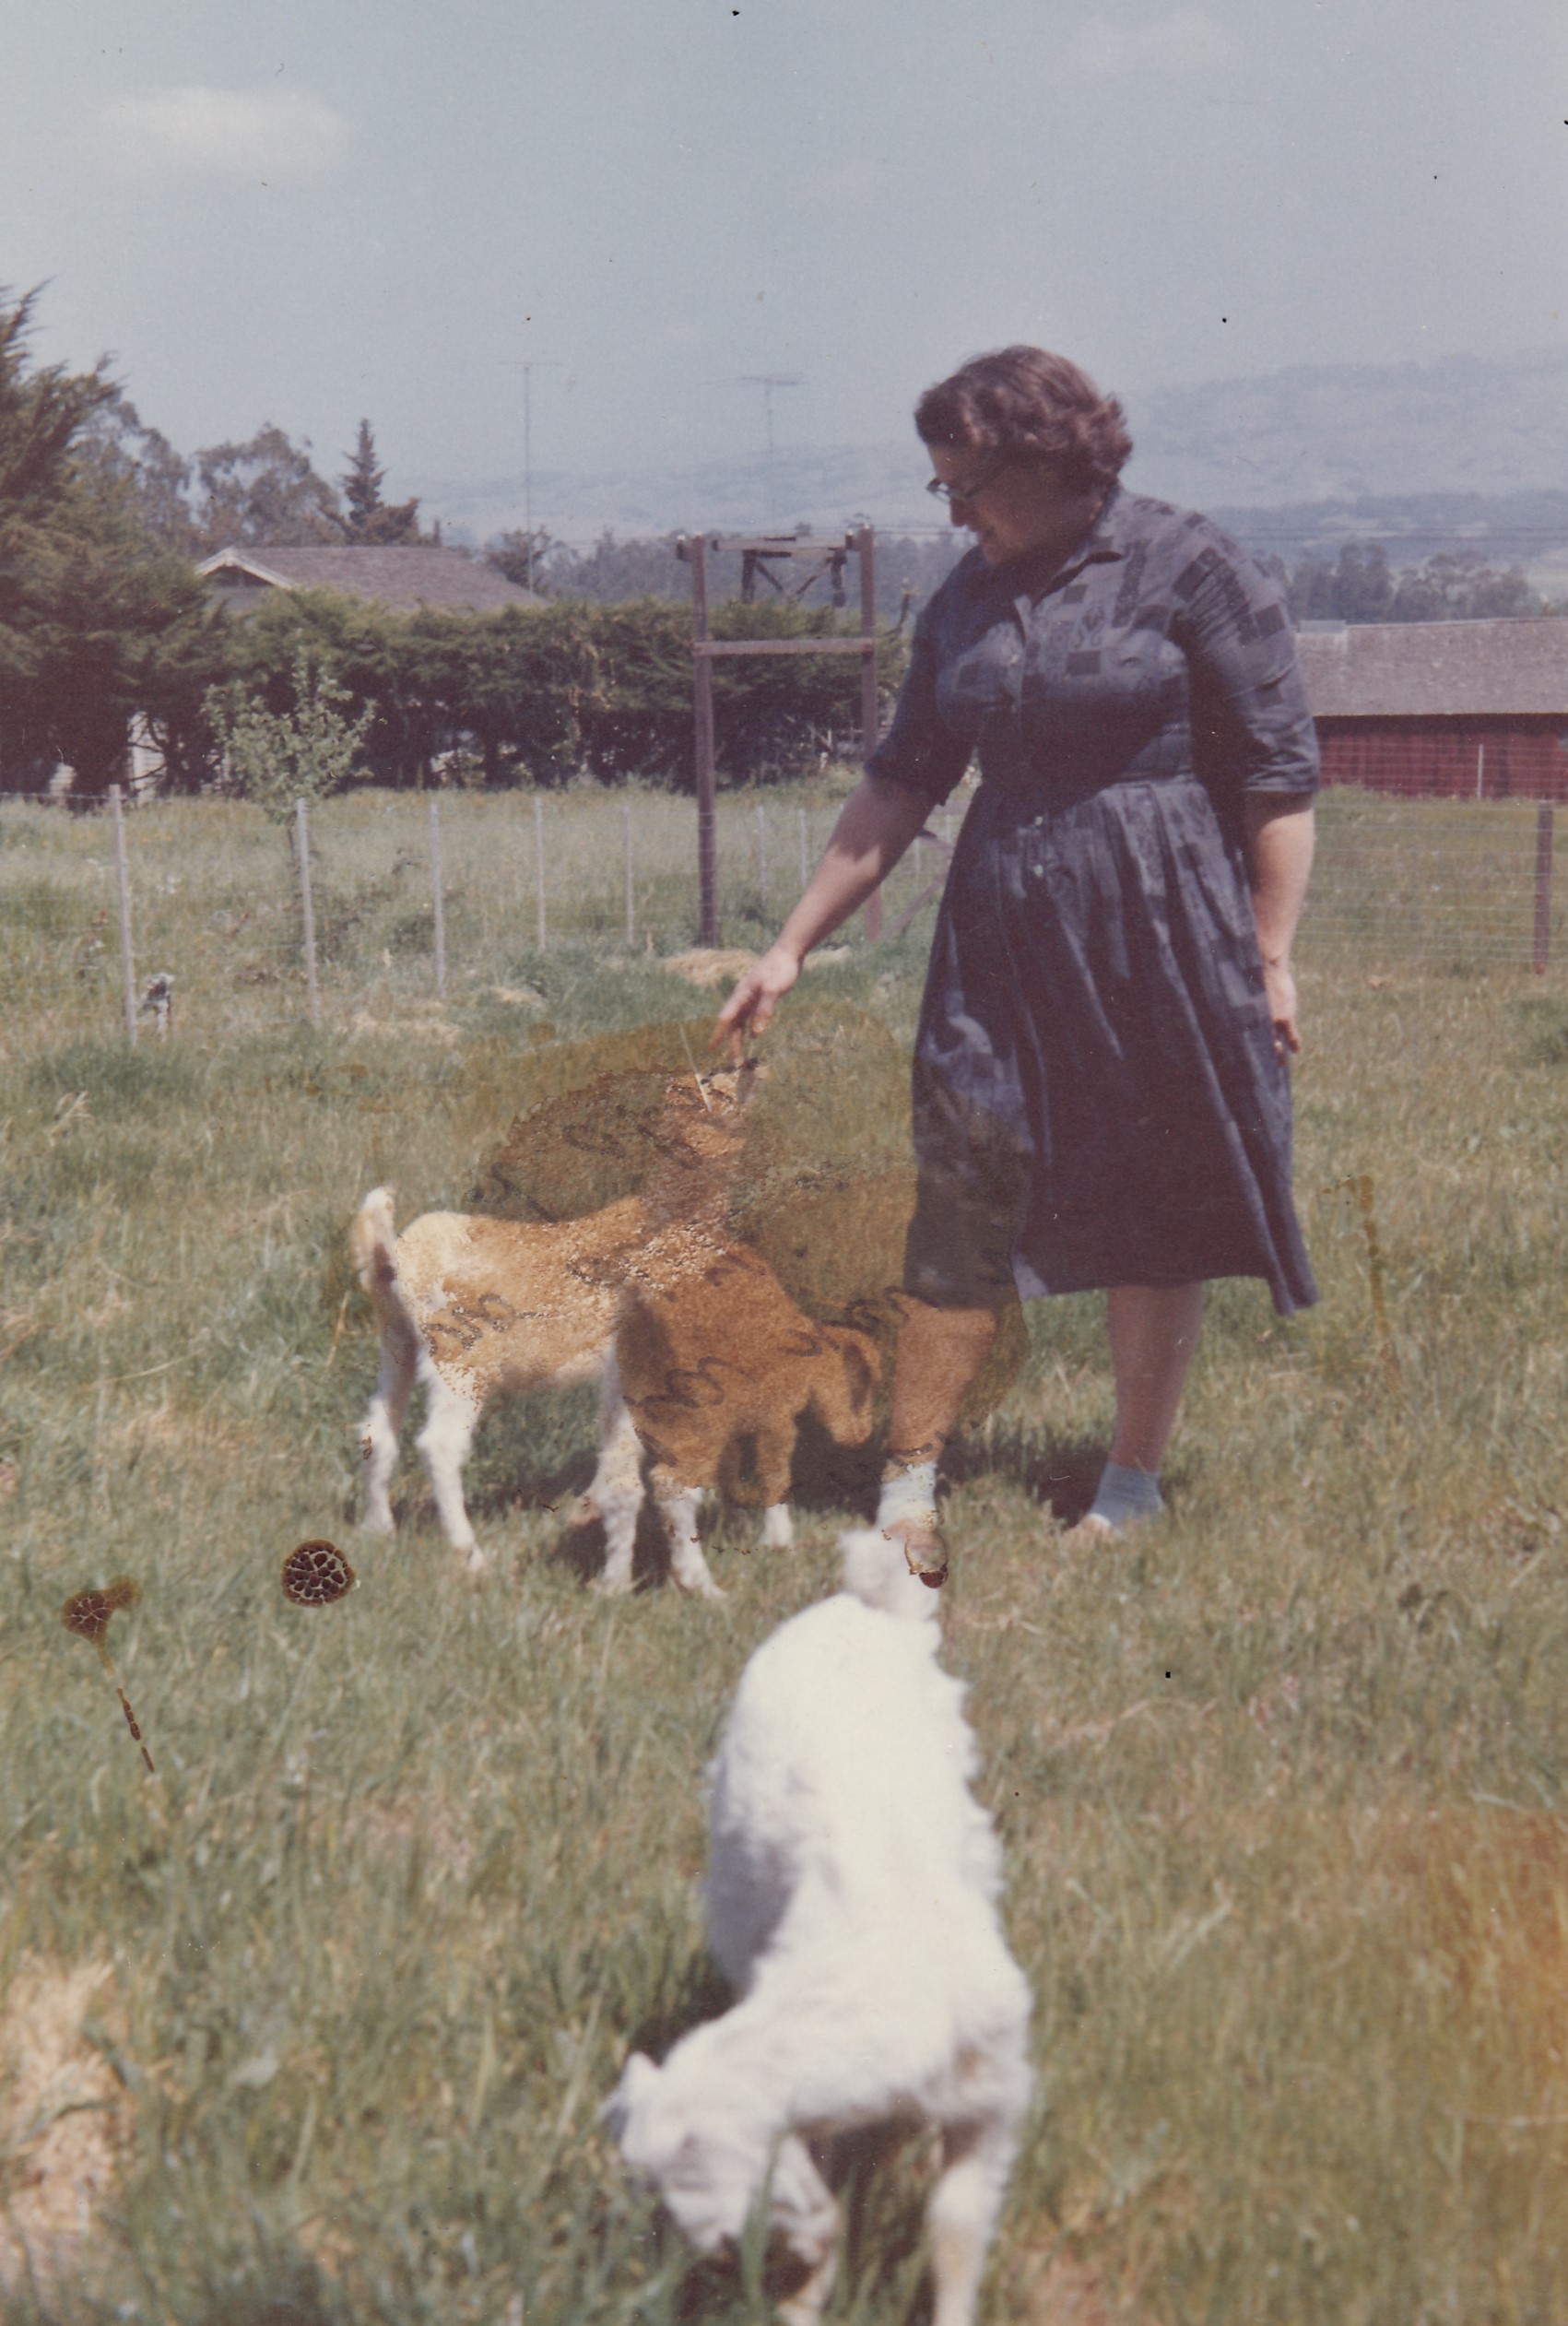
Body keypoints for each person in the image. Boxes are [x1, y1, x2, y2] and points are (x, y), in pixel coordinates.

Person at [718, 345, 1317, 1582]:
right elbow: (902, 779)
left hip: (1161, 928)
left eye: (967, 486)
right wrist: (788, 946)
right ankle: (909, 1479)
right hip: (998, 933)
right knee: (965, 1184)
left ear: (1048, 462)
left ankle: (1131, 1484)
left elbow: (1277, 778)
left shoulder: (1192, 566)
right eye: (940, 488)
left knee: (1154, 1203)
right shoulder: (965, 599)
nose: (952, 515)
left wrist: (1269, 957)